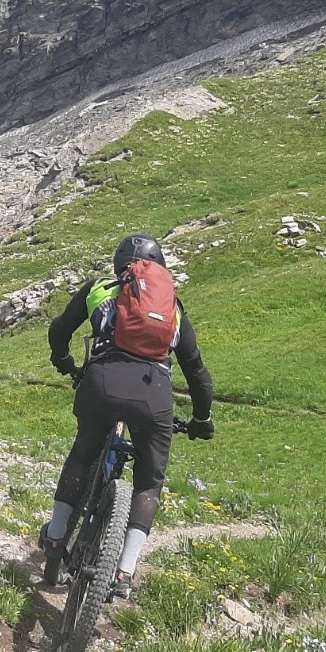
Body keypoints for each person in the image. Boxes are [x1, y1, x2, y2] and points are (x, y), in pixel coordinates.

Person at [39, 234, 214, 599]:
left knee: (84, 449)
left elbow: (59, 330)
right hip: (154, 394)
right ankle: (124, 571)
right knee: (149, 479)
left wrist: (63, 361)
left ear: (121, 265)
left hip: (101, 383)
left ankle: (56, 537)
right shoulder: (172, 309)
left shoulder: (100, 289)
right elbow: (196, 371)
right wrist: (202, 418)